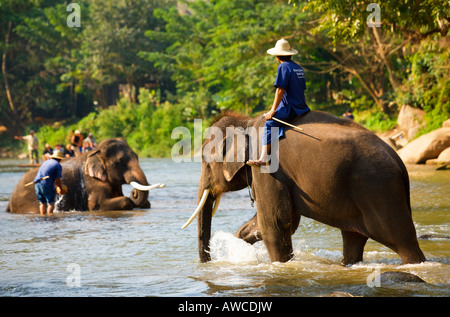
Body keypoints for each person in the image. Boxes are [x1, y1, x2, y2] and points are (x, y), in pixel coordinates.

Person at [247, 39, 310, 168]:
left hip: (290, 107)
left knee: (269, 123)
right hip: (301, 105)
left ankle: (263, 158)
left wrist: (272, 110)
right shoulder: (298, 67)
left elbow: (280, 90)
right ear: (290, 54)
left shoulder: (283, 67)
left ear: (277, 56)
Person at [33, 150, 65, 216]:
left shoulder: (46, 162)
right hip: (45, 184)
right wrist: (61, 188)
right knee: (51, 203)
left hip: (37, 183)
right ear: (60, 159)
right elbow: (57, 179)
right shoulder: (58, 165)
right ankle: (50, 218)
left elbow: (49, 177)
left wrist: (56, 185)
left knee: (42, 203)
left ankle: (43, 217)